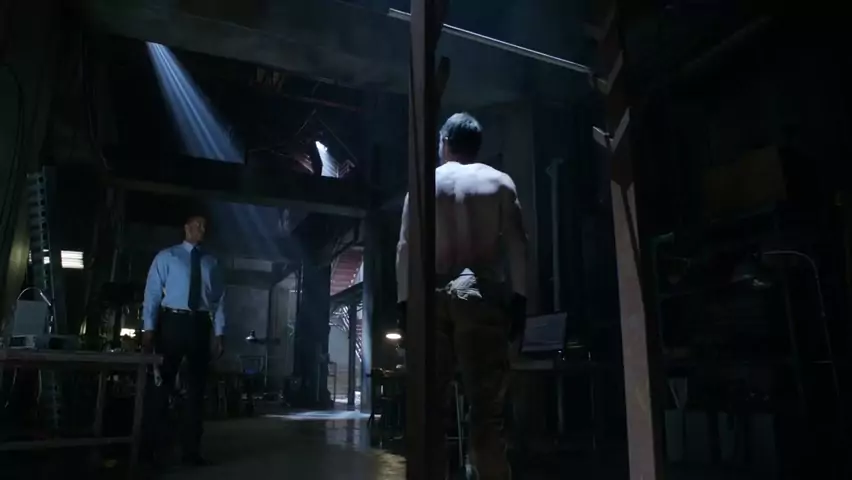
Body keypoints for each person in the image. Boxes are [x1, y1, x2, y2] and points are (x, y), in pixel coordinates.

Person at [396, 113, 528, 479]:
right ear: (477, 146)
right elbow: (518, 245)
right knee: (486, 413)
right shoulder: (499, 182)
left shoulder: (423, 186)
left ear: (444, 143)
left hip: (433, 295)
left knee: (430, 413)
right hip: (480, 291)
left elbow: (405, 248)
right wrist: (520, 300)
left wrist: (404, 305)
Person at [141, 214, 226, 466]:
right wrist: (148, 328)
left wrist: (219, 332)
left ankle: (191, 451)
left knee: (197, 390)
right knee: (161, 386)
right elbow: (152, 293)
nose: (202, 229)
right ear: (186, 227)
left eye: (205, 227)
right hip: (173, 322)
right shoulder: (167, 257)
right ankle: (148, 449)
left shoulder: (211, 262)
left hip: (200, 324)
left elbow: (219, 299)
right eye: (198, 225)